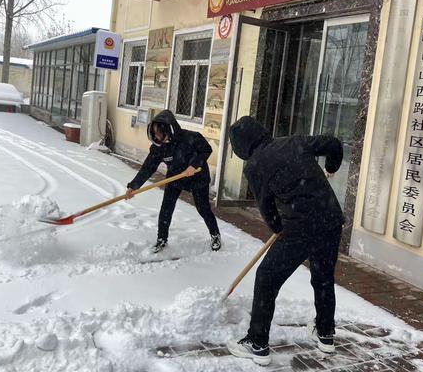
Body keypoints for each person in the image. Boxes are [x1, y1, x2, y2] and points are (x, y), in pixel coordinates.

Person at [226, 116, 344, 366]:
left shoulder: (254, 166)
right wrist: (332, 167)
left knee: (267, 278)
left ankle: (257, 343)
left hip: (301, 226)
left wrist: (278, 227)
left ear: (241, 146)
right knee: (323, 277)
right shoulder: (293, 142)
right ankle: (325, 334)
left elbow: (266, 206)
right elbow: (333, 144)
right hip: (331, 220)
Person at [125, 110, 221, 253]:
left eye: (158, 132)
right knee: (166, 208)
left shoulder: (191, 138)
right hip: (175, 177)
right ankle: (161, 240)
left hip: (197, 178)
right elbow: (148, 168)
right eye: (154, 133)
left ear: (168, 129)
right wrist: (134, 186)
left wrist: (194, 165)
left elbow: (206, 150)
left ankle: (215, 235)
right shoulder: (159, 147)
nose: (156, 136)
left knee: (203, 209)